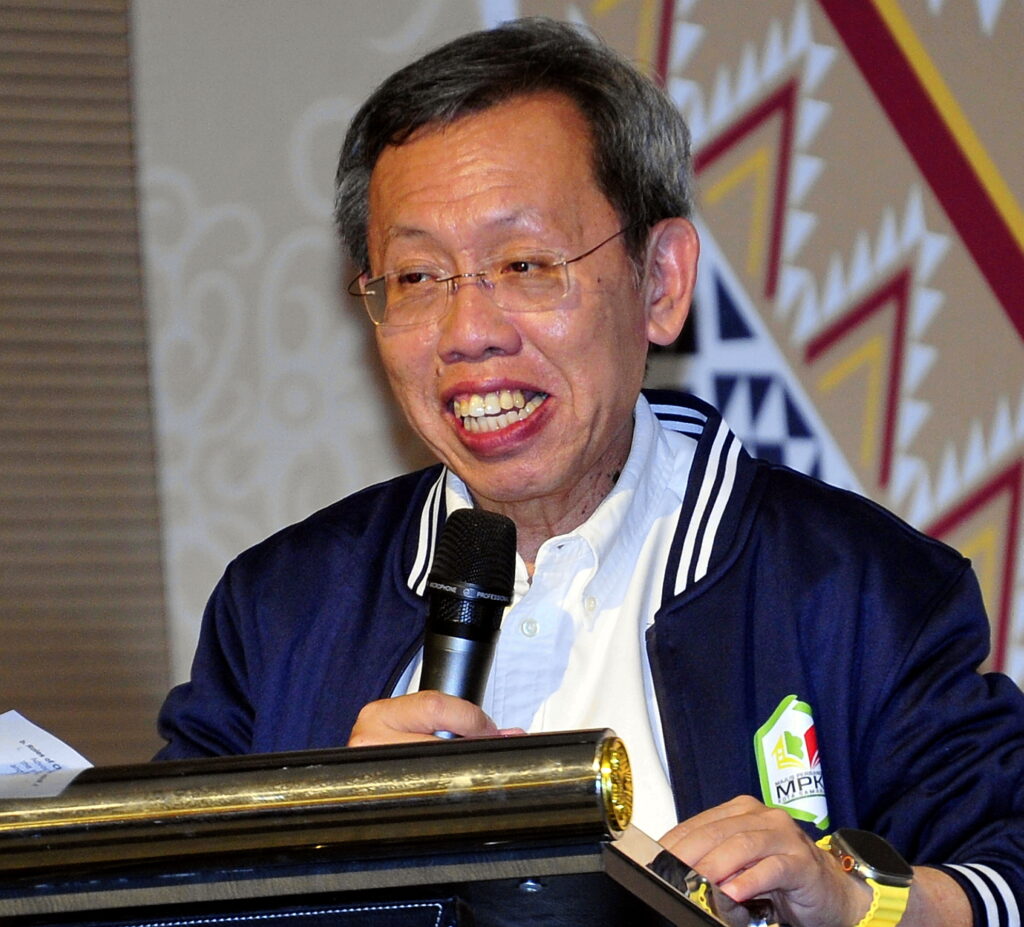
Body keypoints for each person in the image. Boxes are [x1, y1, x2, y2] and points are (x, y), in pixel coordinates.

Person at [155, 17, 1024, 927]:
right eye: (415, 278)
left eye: (525, 264)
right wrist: (319, 837)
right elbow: (151, 901)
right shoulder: (282, 611)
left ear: (662, 282)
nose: (468, 333)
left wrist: (853, 902)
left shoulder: (860, 591)